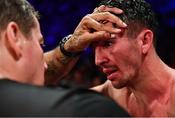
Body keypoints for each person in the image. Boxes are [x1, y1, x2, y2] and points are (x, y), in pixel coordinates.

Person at [46, 0, 175, 117]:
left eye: (107, 43)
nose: (98, 61)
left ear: (144, 41)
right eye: (93, 48)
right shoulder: (115, 94)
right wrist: (69, 46)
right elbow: (35, 96)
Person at [0, 0, 130, 116]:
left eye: (107, 44)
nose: (45, 66)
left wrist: (68, 47)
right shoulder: (90, 109)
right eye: (41, 45)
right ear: (14, 35)